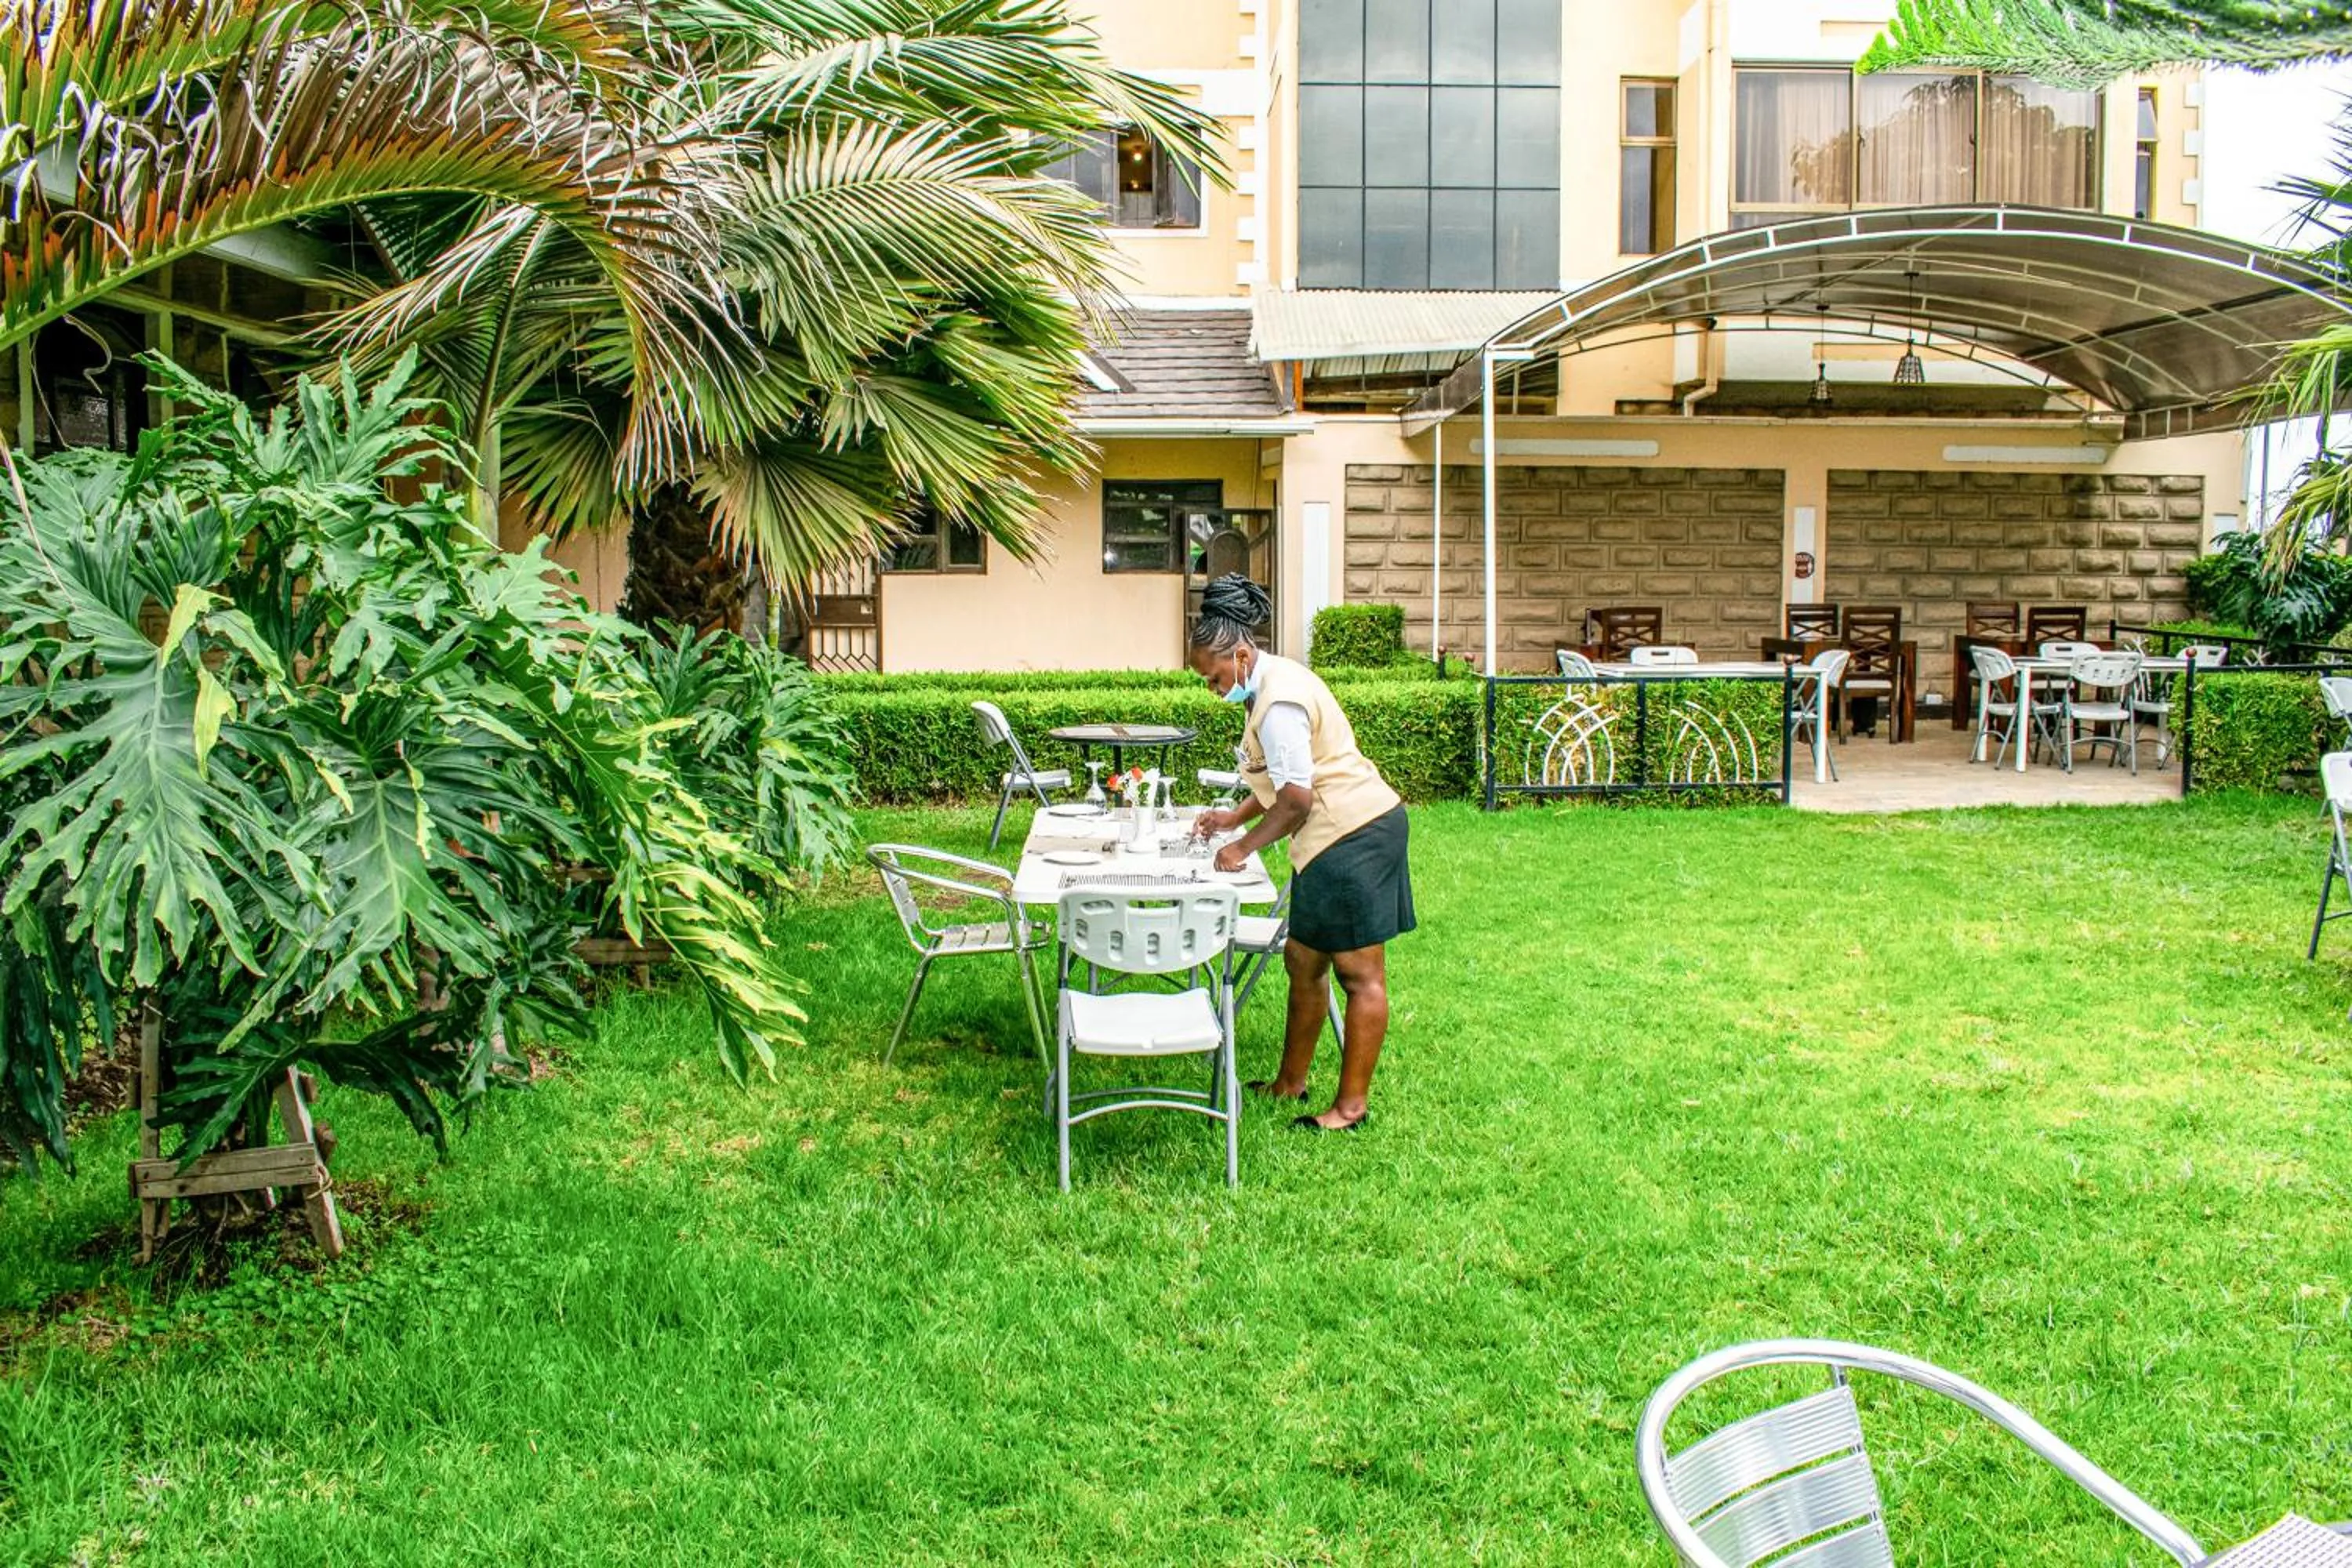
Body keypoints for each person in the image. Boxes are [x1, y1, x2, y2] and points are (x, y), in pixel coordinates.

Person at [1186, 575, 1414, 1133]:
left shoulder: (1280, 699)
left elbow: (1296, 800)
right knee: (1302, 961)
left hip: (1354, 834)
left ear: (1240, 655)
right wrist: (1233, 817)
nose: (1213, 689)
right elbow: (1280, 777)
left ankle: (1350, 1108)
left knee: (1359, 974)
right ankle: (1291, 1081)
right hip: (1327, 841)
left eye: (1214, 678)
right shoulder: (1268, 685)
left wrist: (1242, 847)